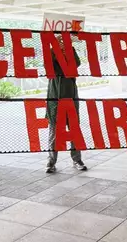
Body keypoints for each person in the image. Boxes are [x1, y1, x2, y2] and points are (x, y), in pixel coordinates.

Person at [46, 35, 88, 174]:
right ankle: (51, 162)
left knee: (74, 132)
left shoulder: (71, 58)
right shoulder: (52, 60)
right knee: (53, 134)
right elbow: (49, 61)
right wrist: (55, 46)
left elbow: (76, 62)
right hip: (54, 102)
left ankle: (77, 159)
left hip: (71, 101)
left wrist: (67, 47)